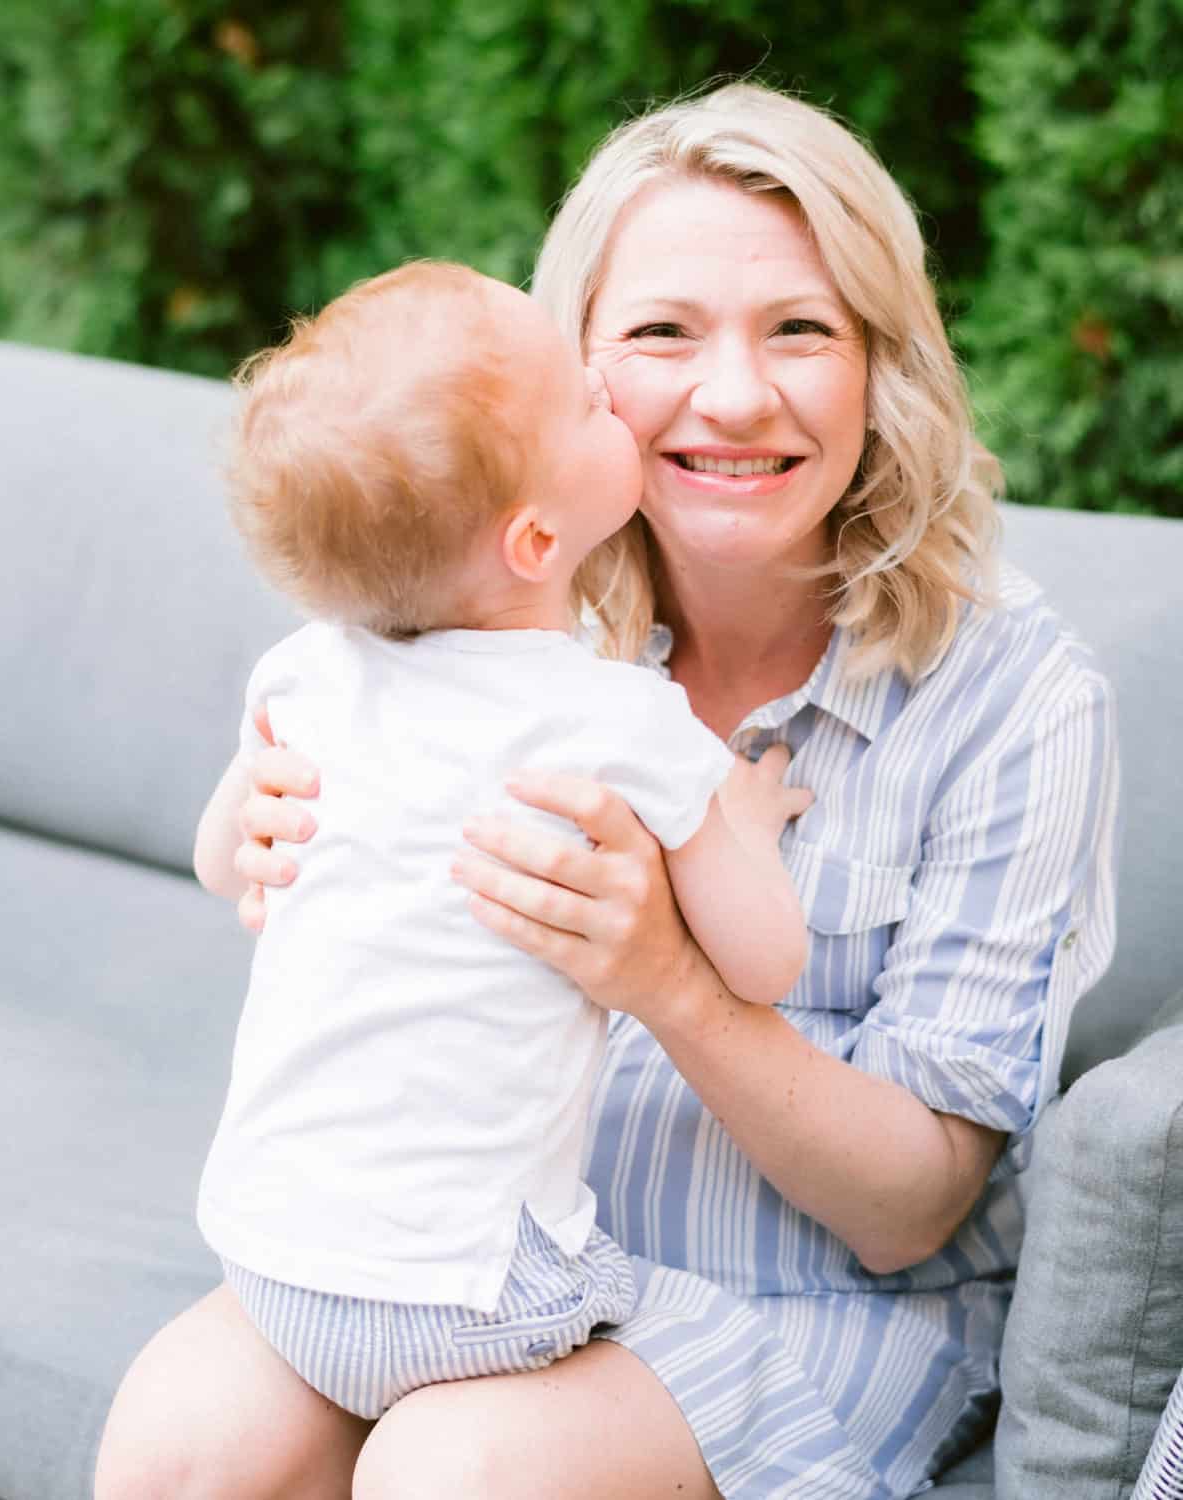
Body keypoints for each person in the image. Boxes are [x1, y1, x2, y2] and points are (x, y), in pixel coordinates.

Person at [95, 82, 1118, 1500]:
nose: (738, 394)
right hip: (471, 1254)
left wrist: (669, 979)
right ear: (568, 381)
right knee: (179, 1447)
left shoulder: (1015, 694)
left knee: (458, 1472)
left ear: (885, 362)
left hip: (816, 1310)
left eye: (802, 330)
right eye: (660, 335)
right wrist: (265, 831)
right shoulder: (488, 626)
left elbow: (914, 1211)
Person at [102, 257, 812, 1464]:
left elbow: (226, 860)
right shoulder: (618, 719)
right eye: (585, 404)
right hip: (471, 1303)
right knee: (689, 1342)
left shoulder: (307, 670)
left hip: (275, 1265)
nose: (602, 381)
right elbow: (770, 959)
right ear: (538, 539)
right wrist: (739, 818)